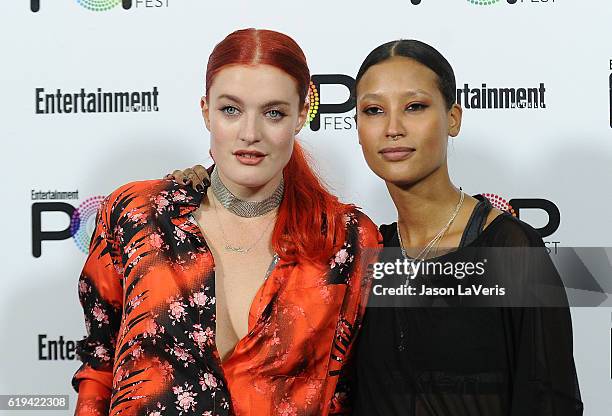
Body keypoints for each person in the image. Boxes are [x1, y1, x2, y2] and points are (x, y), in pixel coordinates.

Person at [174, 39, 583, 415]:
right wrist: (201, 186)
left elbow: (550, 397)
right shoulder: (362, 253)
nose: (393, 128)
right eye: (373, 110)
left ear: (453, 117)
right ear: (356, 126)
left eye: (415, 107)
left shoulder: (509, 249)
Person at [72, 28, 381, 416]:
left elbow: (353, 388)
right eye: (230, 110)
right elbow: (99, 366)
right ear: (206, 111)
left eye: (274, 113)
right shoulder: (138, 215)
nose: (250, 134)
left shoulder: (346, 239)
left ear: (302, 115)